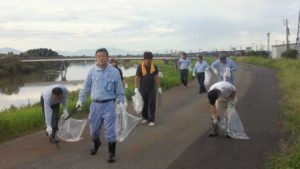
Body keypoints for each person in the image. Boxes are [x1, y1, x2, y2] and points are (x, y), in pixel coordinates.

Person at [76, 48, 124, 163]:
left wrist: (121, 101)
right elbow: (85, 87)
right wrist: (80, 100)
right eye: (98, 56)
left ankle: (111, 154)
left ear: (107, 57)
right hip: (95, 106)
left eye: (103, 56)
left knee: (110, 130)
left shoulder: (114, 71)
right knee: (94, 131)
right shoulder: (92, 71)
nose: (101, 58)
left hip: (109, 104)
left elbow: (119, 88)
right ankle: (96, 143)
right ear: (96, 58)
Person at [135, 51, 162, 127]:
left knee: (152, 104)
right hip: (142, 89)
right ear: (144, 59)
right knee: (144, 104)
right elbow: (136, 77)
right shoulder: (140, 67)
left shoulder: (154, 67)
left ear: (151, 59)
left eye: (149, 59)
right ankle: (145, 118)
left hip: (151, 89)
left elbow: (156, 77)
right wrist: (136, 88)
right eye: (146, 59)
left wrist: (159, 87)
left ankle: (152, 120)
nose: (147, 61)